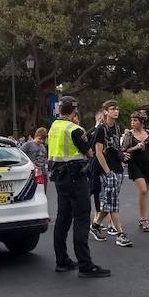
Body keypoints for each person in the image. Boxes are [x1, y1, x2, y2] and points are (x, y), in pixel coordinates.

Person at [47, 96, 110, 278]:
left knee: (63, 218)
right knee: (82, 218)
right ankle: (85, 265)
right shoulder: (75, 129)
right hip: (76, 176)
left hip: (60, 177)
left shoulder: (54, 127)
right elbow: (89, 152)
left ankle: (62, 261)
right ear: (74, 110)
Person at [92, 100, 133, 248]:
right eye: (112, 109)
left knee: (110, 201)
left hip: (118, 169)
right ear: (105, 112)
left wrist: (122, 156)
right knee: (113, 202)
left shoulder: (116, 128)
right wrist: (108, 172)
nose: (116, 111)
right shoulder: (100, 130)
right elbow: (98, 153)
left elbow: (115, 148)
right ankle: (120, 234)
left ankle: (95, 225)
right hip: (106, 171)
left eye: (117, 109)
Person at [121, 110, 149, 231]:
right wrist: (136, 147)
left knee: (144, 193)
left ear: (142, 122)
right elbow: (123, 150)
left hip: (148, 165)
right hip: (135, 165)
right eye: (132, 120)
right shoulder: (129, 135)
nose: (132, 122)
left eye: (135, 120)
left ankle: (143, 218)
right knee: (143, 190)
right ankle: (142, 219)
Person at [86, 110, 105, 228]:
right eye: (101, 118)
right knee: (92, 189)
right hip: (93, 164)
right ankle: (84, 214)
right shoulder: (92, 132)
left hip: (102, 164)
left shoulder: (106, 130)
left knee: (99, 192)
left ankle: (97, 218)